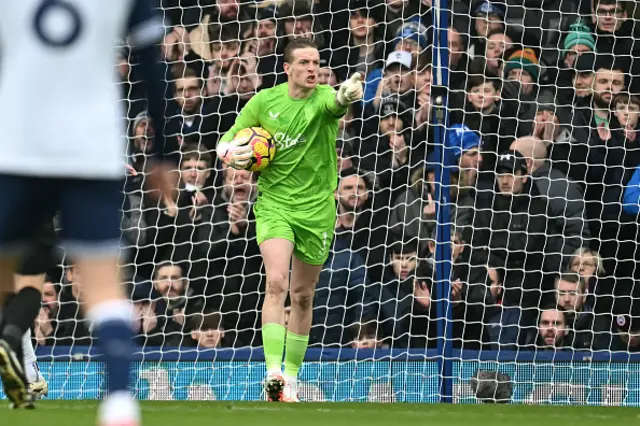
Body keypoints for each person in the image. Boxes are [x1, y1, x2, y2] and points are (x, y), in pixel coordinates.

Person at [0, 1, 173, 423]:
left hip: (18, 145)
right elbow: (151, 62)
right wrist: (163, 153)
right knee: (102, 285)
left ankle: (14, 344)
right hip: (93, 148)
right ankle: (119, 401)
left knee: (11, 271)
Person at [217, 38, 363, 402]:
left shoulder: (325, 99)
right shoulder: (266, 101)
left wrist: (346, 95)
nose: (312, 69)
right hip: (275, 205)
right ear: (288, 68)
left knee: (303, 295)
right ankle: (272, 372)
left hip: (316, 210)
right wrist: (228, 152)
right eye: (304, 63)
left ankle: (292, 380)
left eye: (316, 62)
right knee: (276, 282)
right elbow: (229, 137)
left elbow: (336, 103)